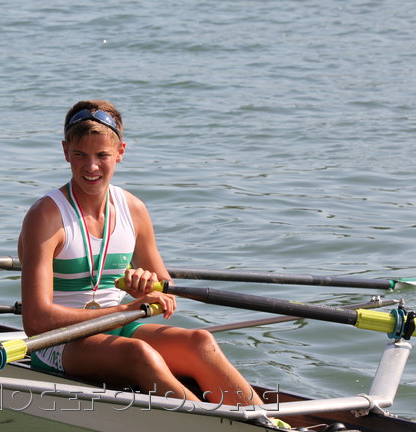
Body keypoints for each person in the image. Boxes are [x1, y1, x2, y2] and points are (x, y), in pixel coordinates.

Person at [18, 100, 265, 406]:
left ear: (120, 152)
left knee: (200, 342)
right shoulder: (46, 216)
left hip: (114, 328)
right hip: (56, 342)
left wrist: (147, 284)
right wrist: (127, 308)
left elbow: (165, 294)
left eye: (102, 155)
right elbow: (36, 320)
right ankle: (221, 425)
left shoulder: (133, 210)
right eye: (80, 155)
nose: (91, 166)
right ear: (66, 151)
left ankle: (265, 420)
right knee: (139, 354)